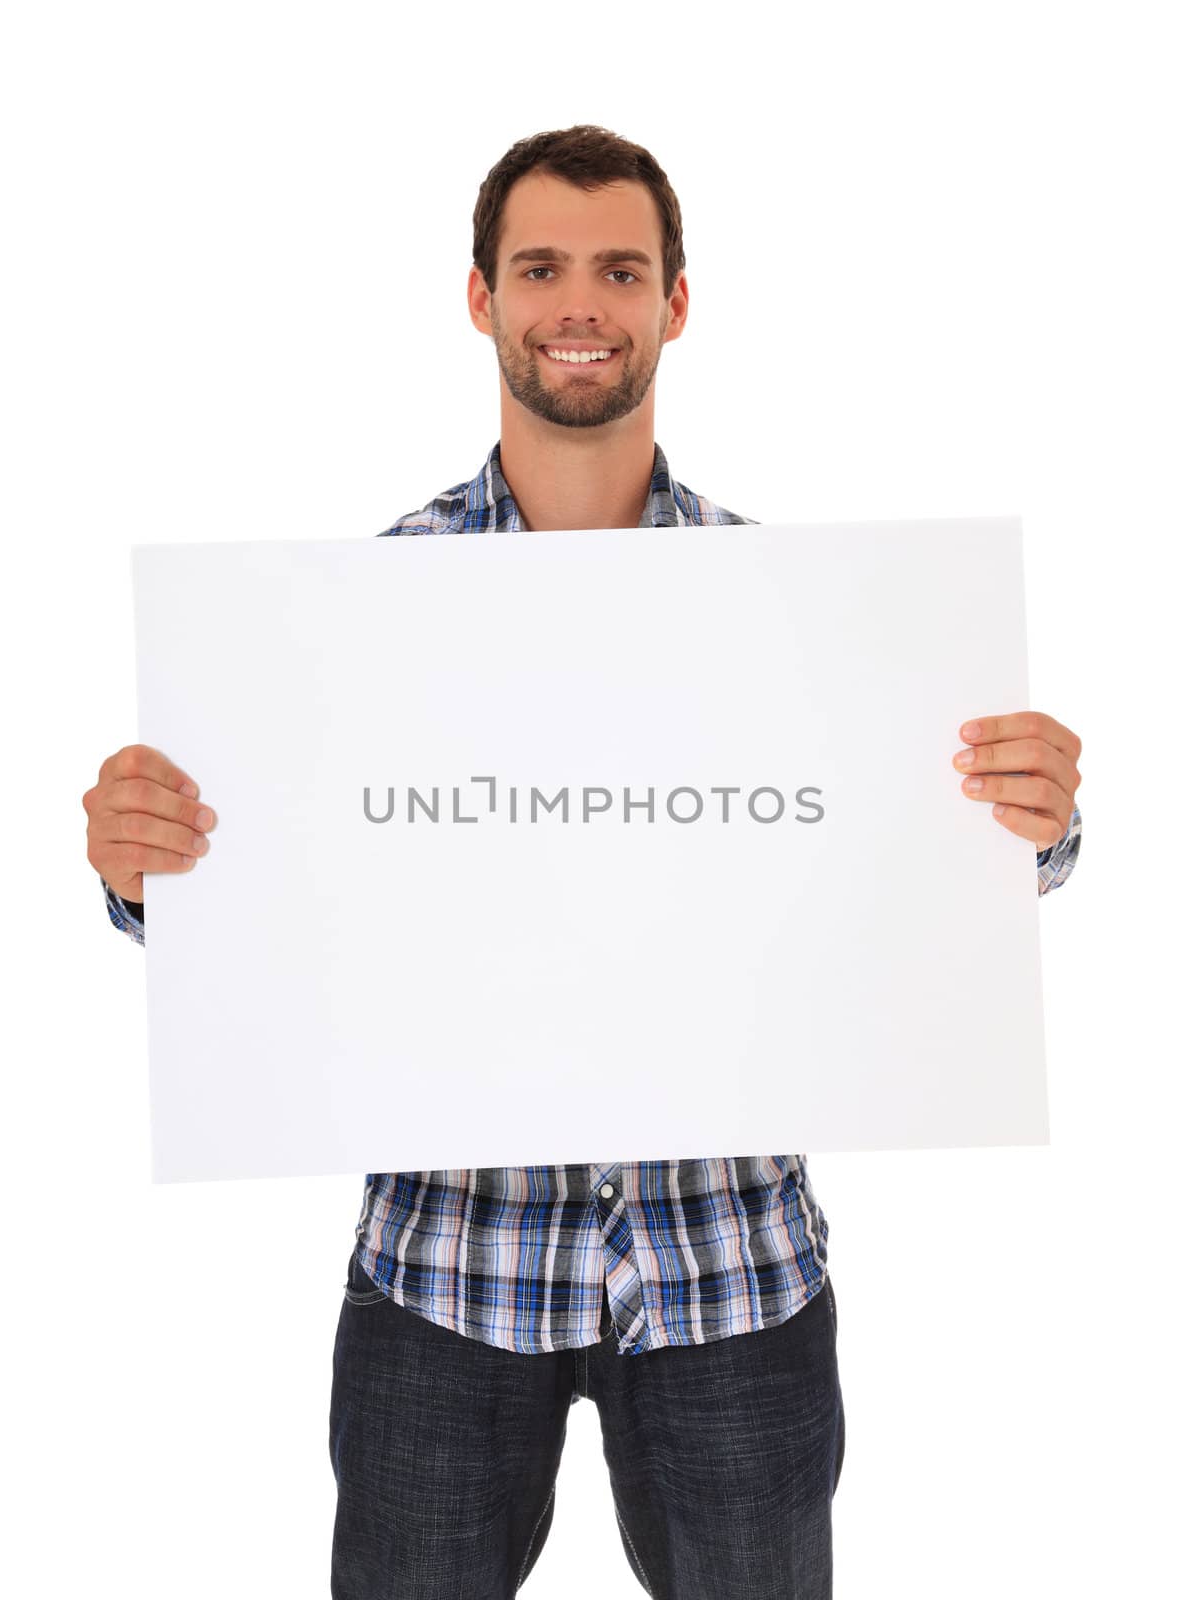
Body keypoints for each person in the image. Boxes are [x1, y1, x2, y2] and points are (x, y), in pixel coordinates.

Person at [84, 124, 1084, 1599]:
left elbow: (939, 874)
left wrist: (1038, 821)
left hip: (730, 1271)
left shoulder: (802, 614)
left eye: (619, 271)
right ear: (479, 297)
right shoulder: (342, 616)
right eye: (540, 267)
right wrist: (137, 861)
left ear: (674, 305)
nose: (579, 304)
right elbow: (254, 910)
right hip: (443, 1277)